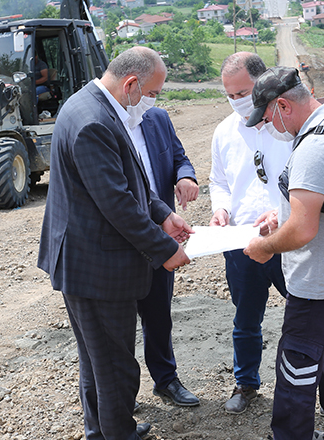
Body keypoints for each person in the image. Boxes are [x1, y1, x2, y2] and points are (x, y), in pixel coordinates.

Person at [37, 46, 193, 440]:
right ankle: (116, 433)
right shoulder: (93, 122)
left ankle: (105, 429)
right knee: (114, 367)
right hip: (96, 267)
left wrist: (162, 213)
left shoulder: (97, 106)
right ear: (130, 83)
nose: (153, 102)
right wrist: (166, 250)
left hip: (88, 260)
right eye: (153, 93)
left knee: (98, 360)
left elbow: (132, 178)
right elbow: (117, 203)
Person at [243, 66, 324, 440]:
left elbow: (303, 229)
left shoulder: (314, 147)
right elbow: (322, 201)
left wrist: (264, 247)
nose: (267, 125)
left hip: (322, 283)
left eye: (268, 117)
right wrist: (281, 213)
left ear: (283, 104)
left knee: (296, 370)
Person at [208, 52, 292, 415]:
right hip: (241, 242)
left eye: (243, 92)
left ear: (261, 84)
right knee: (245, 319)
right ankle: (246, 384)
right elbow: (219, 180)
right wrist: (221, 208)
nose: (236, 100)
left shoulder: (285, 125)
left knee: (305, 316)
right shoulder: (224, 132)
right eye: (229, 94)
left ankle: (311, 385)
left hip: (288, 239)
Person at [132, 106, 200, 406]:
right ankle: (119, 391)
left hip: (161, 232)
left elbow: (178, 157)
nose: (150, 99)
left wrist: (186, 176)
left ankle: (166, 379)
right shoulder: (106, 122)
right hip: (120, 238)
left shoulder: (157, 117)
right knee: (115, 323)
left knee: (158, 313)